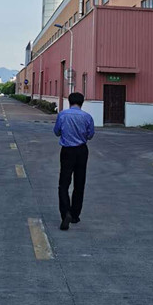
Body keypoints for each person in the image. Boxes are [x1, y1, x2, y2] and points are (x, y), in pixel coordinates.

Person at [53, 92, 95, 231]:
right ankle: (75, 215)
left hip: (67, 151)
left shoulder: (62, 115)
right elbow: (90, 135)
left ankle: (66, 213)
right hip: (81, 151)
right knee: (79, 183)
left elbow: (57, 132)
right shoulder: (87, 117)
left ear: (69, 102)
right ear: (82, 102)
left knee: (64, 183)